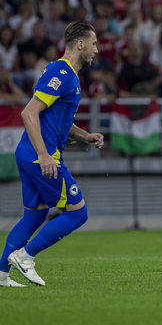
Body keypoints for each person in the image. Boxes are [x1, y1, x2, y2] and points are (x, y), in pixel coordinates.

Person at [0, 21, 102, 287]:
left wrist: (84, 136)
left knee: (34, 215)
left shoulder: (66, 73)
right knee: (78, 214)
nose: (97, 50)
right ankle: (25, 257)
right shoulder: (61, 71)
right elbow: (29, 112)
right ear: (80, 44)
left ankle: (1, 273)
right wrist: (44, 155)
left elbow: (57, 121)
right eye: (94, 43)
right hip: (41, 156)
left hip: (29, 152)